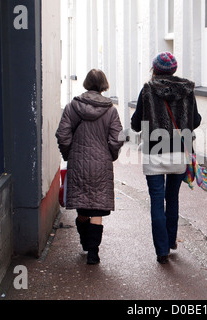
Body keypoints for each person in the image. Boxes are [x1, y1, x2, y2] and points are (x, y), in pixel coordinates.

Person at [131, 52, 202, 264]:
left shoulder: (148, 89)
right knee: (172, 198)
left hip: (154, 152)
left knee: (156, 200)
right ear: (173, 69)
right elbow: (196, 120)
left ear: (155, 69)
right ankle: (171, 240)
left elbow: (136, 124)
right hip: (180, 150)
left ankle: (161, 250)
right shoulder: (187, 91)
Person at [56, 69, 124, 265]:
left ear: (86, 83)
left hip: (78, 163)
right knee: (97, 209)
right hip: (101, 165)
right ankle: (93, 252)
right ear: (104, 84)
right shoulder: (111, 110)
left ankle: (85, 243)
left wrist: (69, 154)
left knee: (82, 207)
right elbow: (117, 137)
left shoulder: (71, 107)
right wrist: (110, 154)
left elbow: (63, 135)